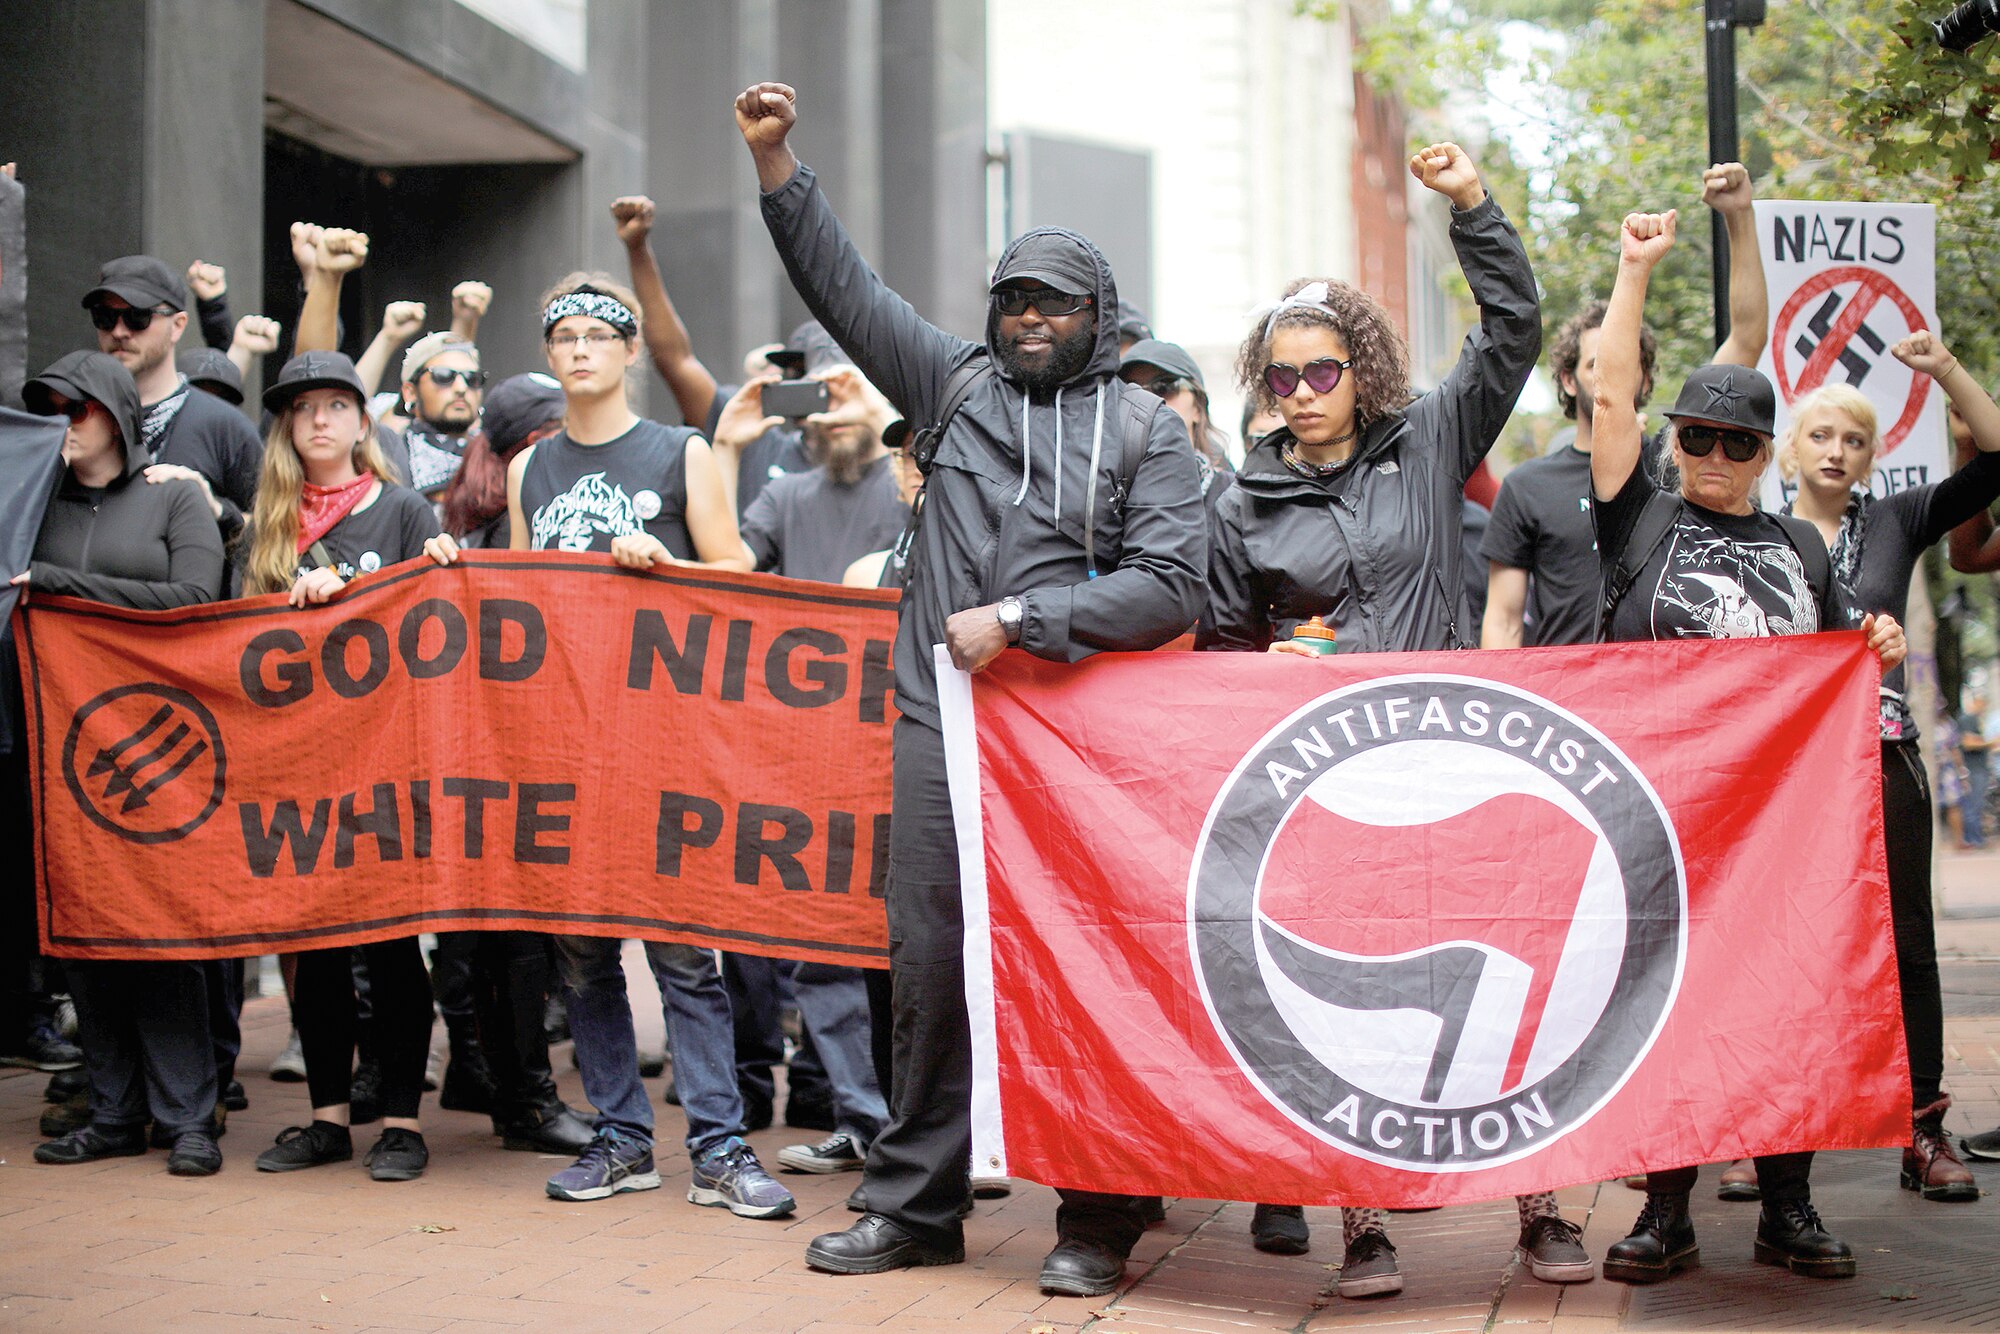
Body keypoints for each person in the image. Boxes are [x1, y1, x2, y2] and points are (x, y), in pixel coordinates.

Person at [739, 79, 1208, 1298]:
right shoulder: (949, 384)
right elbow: (840, 287)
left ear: (1097, 315)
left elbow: (1170, 585)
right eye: (1011, 300)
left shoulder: (1146, 432)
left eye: (1053, 301)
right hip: (938, 726)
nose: (1029, 318)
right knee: (928, 956)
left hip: (1079, 742)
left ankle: (1098, 1214)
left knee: (1080, 958)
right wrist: (778, 161)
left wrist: (1024, 618)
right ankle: (916, 1204)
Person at [1206, 145, 1569, 1298]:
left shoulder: (1429, 444)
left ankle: (1542, 1202)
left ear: (1357, 370)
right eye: (1279, 378)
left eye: (1320, 370)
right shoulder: (1242, 499)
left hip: (1452, 765)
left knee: (1514, 967)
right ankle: (1363, 1224)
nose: (1301, 392)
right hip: (1330, 787)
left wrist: (1467, 204)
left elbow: (1512, 328)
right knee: (1353, 1011)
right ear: (1260, 387)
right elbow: (1217, 652)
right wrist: (1269, 660)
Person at [1587, 208, 1906, 1284]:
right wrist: (1633, 269)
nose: (1713, 456)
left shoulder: (1797, 547)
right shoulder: (1636, 520)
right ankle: (1663, 1211)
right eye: (1696, 437)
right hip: (1661, 821)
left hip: (1773, 836)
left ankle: (1787, 1205)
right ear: (1673, 441)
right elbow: (1609, 391)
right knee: (1663, 1010)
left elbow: (1832, 668)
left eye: (1736, 443)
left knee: (1783, 1001)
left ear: (1765, 453)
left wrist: (1873, 639)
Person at [441, 271, 790, 1218]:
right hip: (562, 746)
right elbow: (516, 608)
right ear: (550, 359)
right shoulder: (527, 471)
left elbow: (739, 570)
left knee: (682, 954)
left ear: (631, 353)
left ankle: (719, 1147)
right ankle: (623, 1138)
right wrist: (454, 569)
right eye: (566, 338)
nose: (583, 349)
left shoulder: (681, 452)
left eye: (601, 334)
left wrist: (670, 565)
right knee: (584, 956)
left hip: (663, 745)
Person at [1779, 341, 2000, 1204]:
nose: (1836, 451)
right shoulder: (1755, 535)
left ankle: (1923, 1130)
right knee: (1788, 944)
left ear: (1874, 454)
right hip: (1788, 772)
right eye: (1821, 435)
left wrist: (1944, 369)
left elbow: (1996, 461)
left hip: (1882, 755)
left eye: (1855, 440)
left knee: (1907, 943)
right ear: (1790, 449)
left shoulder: (1899, 521)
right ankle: (1772, 1133)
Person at [242, 351, 451, 1184]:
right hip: (297, 762)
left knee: (395, 945)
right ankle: (327, 1117)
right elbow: (236, 638)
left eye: (337, 405)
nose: (320, 420)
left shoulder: (402, 509)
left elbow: (431, 626)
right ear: (289, 428)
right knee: (314, 946)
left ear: (365, 423)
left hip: (386, 757)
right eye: (304, 409)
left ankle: (401, 1120)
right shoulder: (265, 526)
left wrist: (414, 579)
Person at [17, 351, 226, 1176]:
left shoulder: (174, 494)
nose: (62, 425)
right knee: (84, 938)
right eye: (49, 410)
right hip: (60, 754)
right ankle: (113, 1112)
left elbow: (198, 603)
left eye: (75, 409)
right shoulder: (34, 506)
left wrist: (58, 584)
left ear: (112, 412)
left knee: (163, 935)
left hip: (164, 753)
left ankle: (190, 1120)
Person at [1484, 164, 1765, 651]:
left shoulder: (1684, 460)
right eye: (1596, 363)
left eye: (1622, 362)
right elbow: (1504, 622)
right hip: (1568, 707)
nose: (1608, 375)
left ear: (1645, 377)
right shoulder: (1527, 488)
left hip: (1663, 694)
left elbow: (1746, 340)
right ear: (1569, 380)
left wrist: (1740, 218)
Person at [613, 195, 809, 513]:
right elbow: (676, 361)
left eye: (831, 378)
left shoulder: (890, 458)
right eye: (797, 374)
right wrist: (638, 251)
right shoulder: (754, 441)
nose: (812, 388)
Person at [1959, 695, 1990, 848]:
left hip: (1979, 767)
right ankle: (1973, 839)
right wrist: (1991, 742)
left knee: (1976, 805)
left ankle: (1975, 838)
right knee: (1973, 805)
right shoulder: (1967, 720)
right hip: (1974, 768)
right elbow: (1968, 743)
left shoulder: (1976, 720)